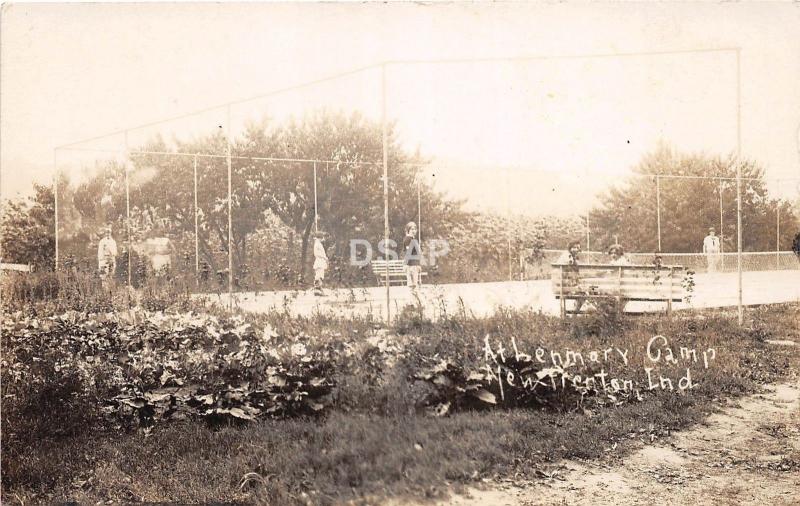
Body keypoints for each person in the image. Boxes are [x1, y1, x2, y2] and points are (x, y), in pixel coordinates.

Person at [403, 222, 423, 294]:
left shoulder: (413, 240)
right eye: (412, 229)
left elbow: (417, 253)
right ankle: (412, 302)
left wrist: (418, 264)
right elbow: (408, 253)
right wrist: (406, 264)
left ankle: (415, 302)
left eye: (415, 229)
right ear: (408, 230)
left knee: (415, 285)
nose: (414, 231)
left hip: (415, 265)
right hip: (411, 265)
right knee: (412, 286)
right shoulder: (408, 239)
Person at [312, 231, 328, 296]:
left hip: (321, 261)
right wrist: (324, 257)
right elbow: (317, 254)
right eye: (322, 237)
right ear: (320, 238)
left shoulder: (318, 244)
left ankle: (319, 290)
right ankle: (317, 290)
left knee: (320, 275)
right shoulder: (317, 244)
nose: (323, 239)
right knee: (319, 276)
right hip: (319, 261)